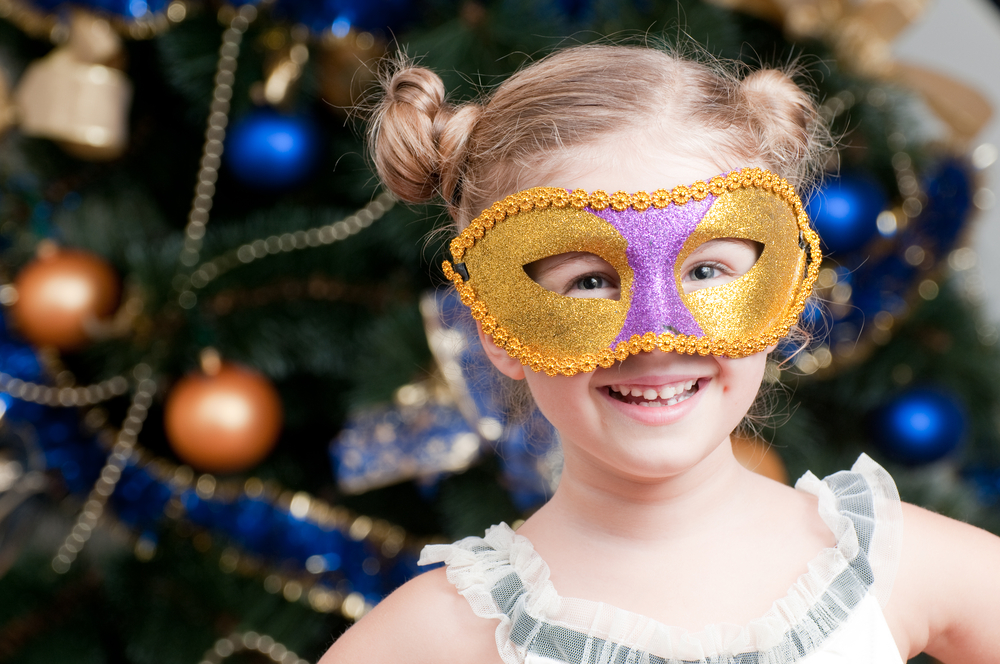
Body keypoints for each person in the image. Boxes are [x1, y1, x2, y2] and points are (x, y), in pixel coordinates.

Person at [321, 43, 1000, 663]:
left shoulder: (896, 566)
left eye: (707, 271)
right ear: (495, 328)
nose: (658, 336)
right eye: (587, 283)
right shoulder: (438, 639)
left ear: (786, 286)